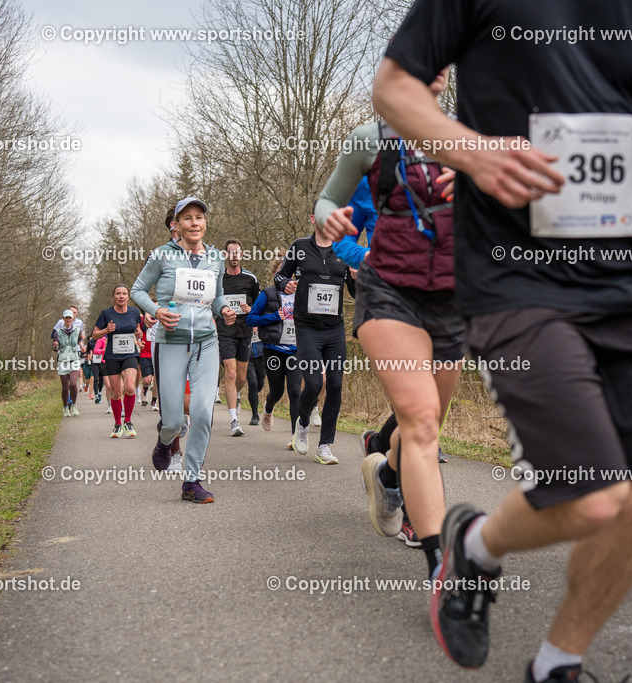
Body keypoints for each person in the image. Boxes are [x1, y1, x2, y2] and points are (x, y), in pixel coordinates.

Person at [375, 0, 632, 678]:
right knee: (591, 493)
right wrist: (474, 152)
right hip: (517, 276)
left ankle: (556, 664)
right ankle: (473, 546)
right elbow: (394, 86)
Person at [317, 65, 462, 580]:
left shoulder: (470, 135)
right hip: (388, 291)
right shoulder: (370, 140)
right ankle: (442, 565)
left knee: (426, 421)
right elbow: (328, 202)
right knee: (420, 419)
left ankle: (388, 477)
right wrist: (331, 220)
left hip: (452, 297)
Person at [131, 196, 236, 504]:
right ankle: (165, 441)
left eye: (199, 217)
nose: (194, 223)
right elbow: (138, 289)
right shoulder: (162, 255)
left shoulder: (215, 258)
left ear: (205, 223)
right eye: (187, 218)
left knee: (202, 411)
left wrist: (224, 309)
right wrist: (156, 310)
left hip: (206, 342)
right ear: (176, 225)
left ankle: (192, 481)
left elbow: (216, 297)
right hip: (171, 343)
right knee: (174, 420)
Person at [275, 213, 356, 463]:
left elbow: (356, 292)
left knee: (336, 385)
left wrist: (356, 278)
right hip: (307, 328)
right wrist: (285, 284)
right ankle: (302, 423)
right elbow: (280, 276)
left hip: (334, 328)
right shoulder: (299, 247)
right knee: (312, 384)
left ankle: (325, 446)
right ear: (313, 218)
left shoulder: (345, 249)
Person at [248, 256, 303, 448]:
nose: (287, 276)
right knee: (277, 391)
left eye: (290, 272)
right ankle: (269, 406)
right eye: (282, 272)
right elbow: (251, 319)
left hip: (295, 350)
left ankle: (296, 437)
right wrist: (273, 316)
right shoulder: (267, 294)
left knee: (295, 392)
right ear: (275, 274)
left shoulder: (302, 293)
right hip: (273, 351)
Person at [217, 239, 261, 436]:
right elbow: (213, 302)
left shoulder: (250, 278)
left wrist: (251, 310)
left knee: (241, 377)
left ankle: (237, 394)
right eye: (230, 252)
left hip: (245, 331)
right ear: (226, 255)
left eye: (237, 252)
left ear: (241, 255)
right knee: (231, 372)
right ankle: (233, 420)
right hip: (225, 330)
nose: (234, 255)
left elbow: (258, 305)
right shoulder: (219, 279)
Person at [91, 286, 143, 439]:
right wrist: (106, 330)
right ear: (113, 296)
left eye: (124, 294)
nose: (121, 296)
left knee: (130, 387)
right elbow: (94, 335)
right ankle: (117, 424)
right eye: (118, 293)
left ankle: (128, 421)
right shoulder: (106, 314)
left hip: (130, 354)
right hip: (112, 356)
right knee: (116, 392)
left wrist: (139, 334)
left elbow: (138, 330)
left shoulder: (134, 312)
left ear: (128, 297)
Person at [54, 310, 83, 417]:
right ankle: (65, 407)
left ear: (72, 319)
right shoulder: (58, 332)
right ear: (63, 319)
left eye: (69, 318)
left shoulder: (77, 330)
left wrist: (82, 346)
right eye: (66, 318)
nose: (68, 320)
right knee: (65, 387)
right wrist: (55, 346)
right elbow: (55, 346)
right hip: (63, 361)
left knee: (73, 384)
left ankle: (74, 405)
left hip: (74, 360)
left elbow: (80, 341)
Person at [246, 327, 266, 426]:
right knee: (252, 382)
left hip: (261, 354)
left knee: (260, 384)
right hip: (247, 356)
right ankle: (255, 415)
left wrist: (259, 327)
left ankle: (253, 394)